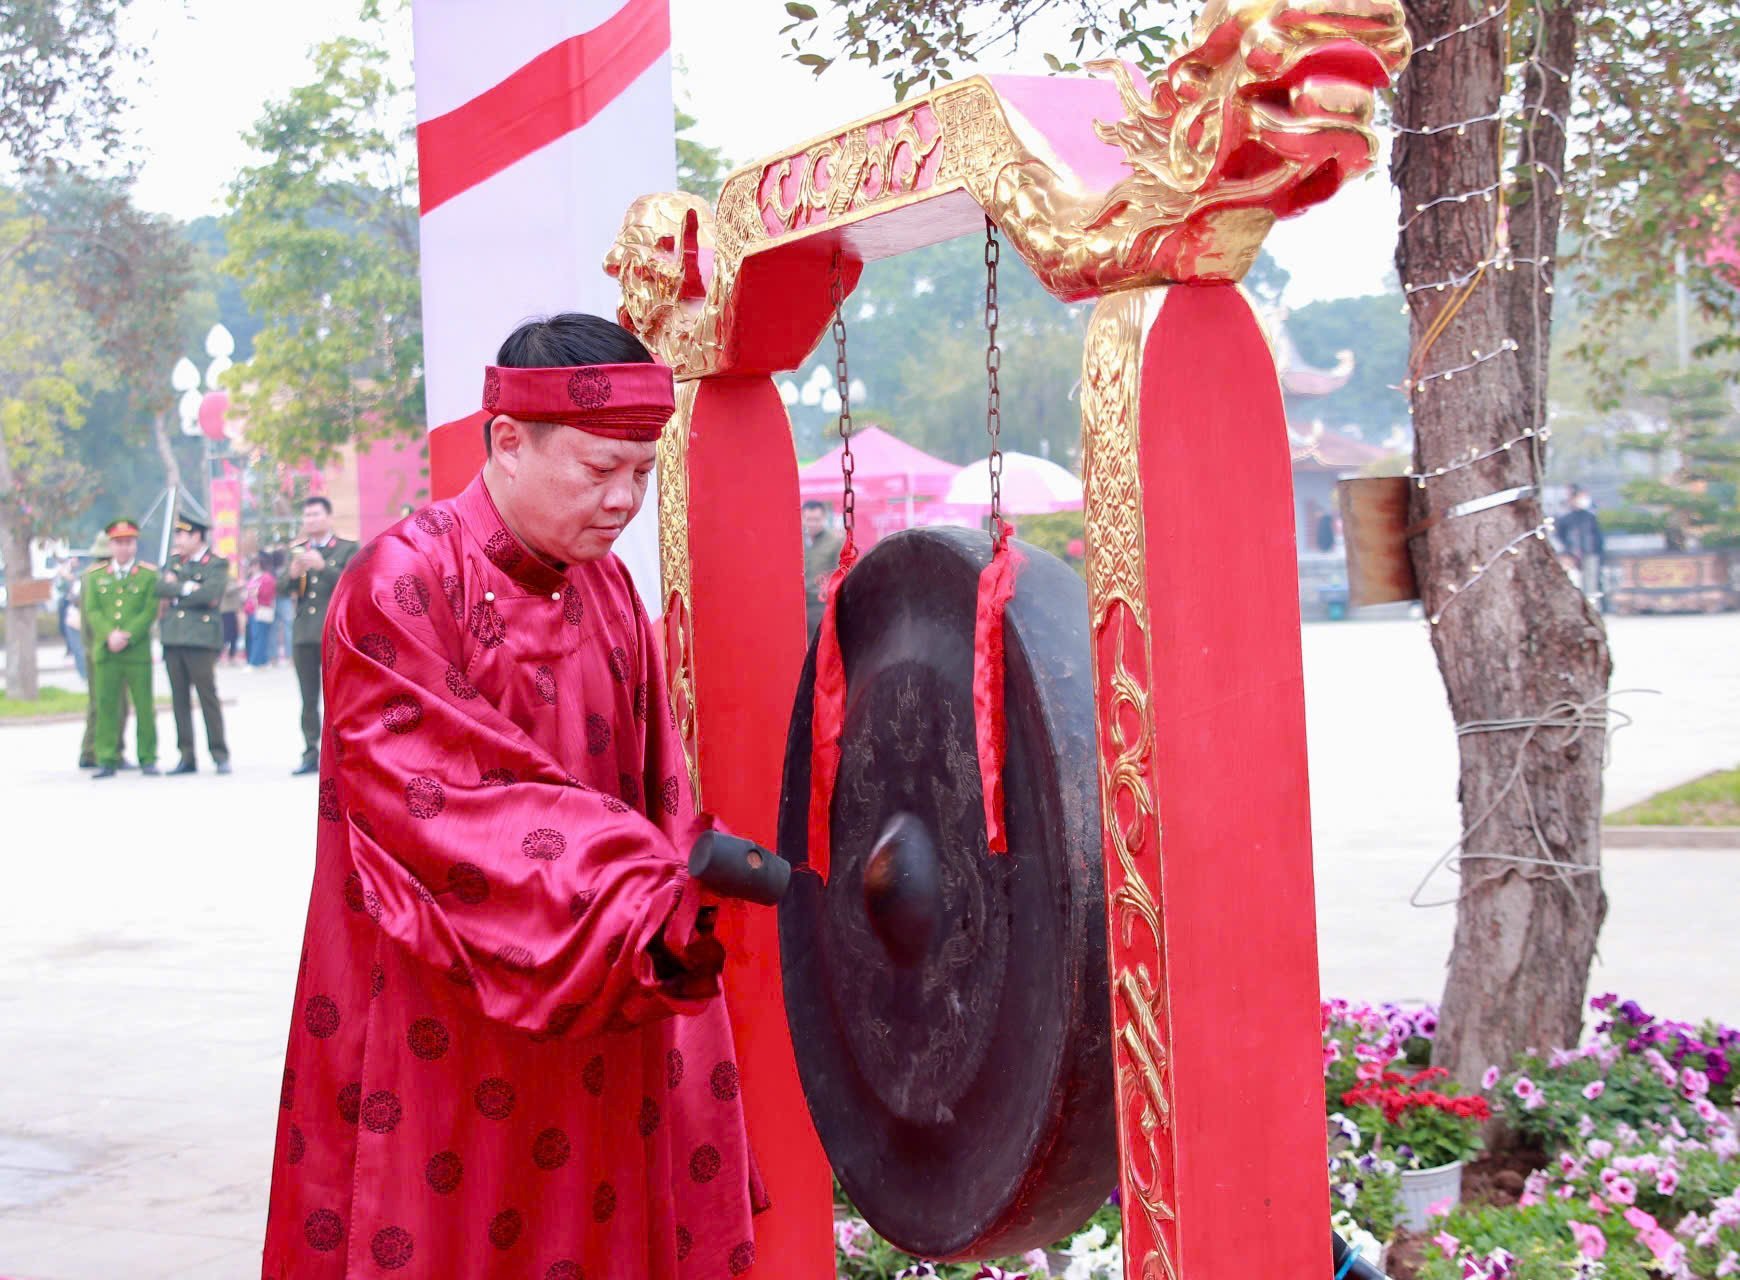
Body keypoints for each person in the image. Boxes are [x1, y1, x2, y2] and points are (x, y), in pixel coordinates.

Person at [262, 314, 767, 1279]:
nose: (622, 500)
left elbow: (659, 791)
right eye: (596, 469)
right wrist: (638, 896)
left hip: (606, 989)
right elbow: (444, 802)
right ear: (507, 440)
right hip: (444, 1003)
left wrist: (682, 892)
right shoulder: (401, 582)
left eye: (640, 474)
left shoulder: (608, 587)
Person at [280, 496, 358, 774]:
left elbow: (354, 583)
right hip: (304, 633)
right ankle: (310, 751)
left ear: (328, 517)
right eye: (307, 516)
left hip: (333, 631)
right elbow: (280, 589)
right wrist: (291, 572)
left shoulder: (347, 549)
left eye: (315, 515)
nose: (311, 520)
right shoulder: (297, 551)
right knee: (308, 696)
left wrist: (324, 567)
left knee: (339, 695)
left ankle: (342, 752)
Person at [84, 519, 159, 779]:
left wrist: (128, 635)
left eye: (128, 542)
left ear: (135, 544)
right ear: (110, 545)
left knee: (144, 706)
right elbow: (92, 610)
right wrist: (109, 635)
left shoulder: (148, 575)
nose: (123, 548)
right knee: (106, 705)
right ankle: (106, 757)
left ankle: (147, 757)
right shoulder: (95, 577)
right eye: (118, 543)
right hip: (107, 651)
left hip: (135, 651)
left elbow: (149, 610)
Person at [158, 515, 232, 775]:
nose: (178, 540)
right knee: (179, 700)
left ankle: (219, 753)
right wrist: (189, 589)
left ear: (197, 536)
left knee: (207, 696)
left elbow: (211, 595)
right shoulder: (173, 562)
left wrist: (177, 590)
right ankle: (186, 755)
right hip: (173, 638)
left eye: (182, 535)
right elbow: (159, 588)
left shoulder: (216, 564)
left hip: (201, 640)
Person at [1557, 485, 1605, 608]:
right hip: (1572, 554)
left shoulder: (1590, 516)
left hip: (1590, 552)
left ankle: (1591, 607)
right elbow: (1561, 534)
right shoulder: (1567, 517)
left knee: (1591, 582)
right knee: (1575, 581)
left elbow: (1596, 535)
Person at [801, 498, 842, 637]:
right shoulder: (796, 540)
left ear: (824, 518)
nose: (812, 524)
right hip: (798, 606)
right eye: (809, 519)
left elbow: (838, 574)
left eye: (816, 519)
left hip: (820, 606)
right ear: (802, 518)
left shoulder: (835, 542)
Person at [245, 556, 277, 667]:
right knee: (254, 636)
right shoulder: (253, 577)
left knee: (260, 636)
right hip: (251, 610)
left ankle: (255, 661)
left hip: (261, 609)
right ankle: (261, 660)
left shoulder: (266, 578)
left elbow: (269, 593)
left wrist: (258, 593)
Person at [220, 570, 245, 664]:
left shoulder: (234, 578)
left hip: (235, 609)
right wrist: (238, 585)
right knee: (227, 634)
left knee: (234, 633)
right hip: (227, 609)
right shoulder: (224, 578)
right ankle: (223, 655)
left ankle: (232, 655)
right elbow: (227, 590)